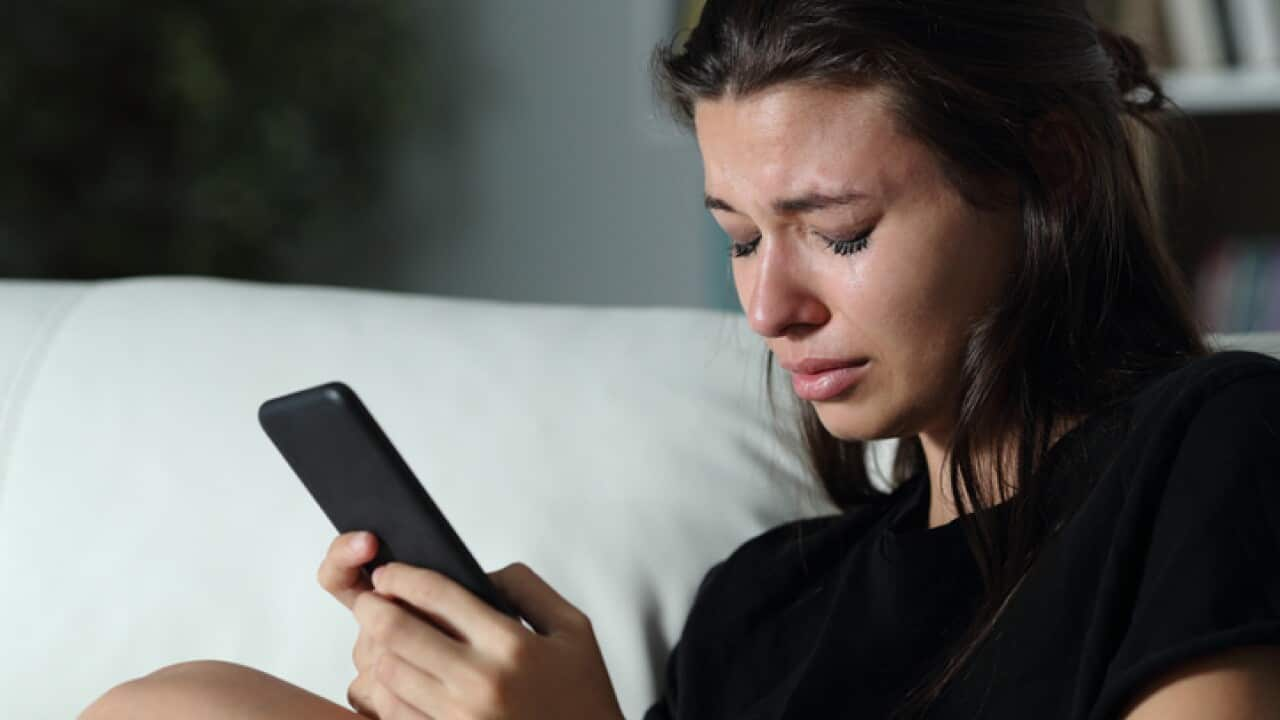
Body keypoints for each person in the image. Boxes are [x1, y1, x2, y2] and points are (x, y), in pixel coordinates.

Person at [80, 1, 1280, 718]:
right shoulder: (765, 603)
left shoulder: (1209, 447)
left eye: (838, 232)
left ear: (1050, 173)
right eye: (741, 240)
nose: (769, 306)